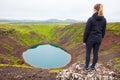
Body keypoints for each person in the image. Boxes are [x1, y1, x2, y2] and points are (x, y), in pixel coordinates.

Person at [83, 3, 106, 70]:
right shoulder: (104, 19)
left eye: (93, 9)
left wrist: (84, 40)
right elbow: (103, 31)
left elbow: (86, 31)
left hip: (90, 39)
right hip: (98, 38)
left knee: (88, 53)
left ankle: (86, 66)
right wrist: (101, 38)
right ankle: (92, 67)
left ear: (95, 9)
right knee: (95, 53)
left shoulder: (91, 19)